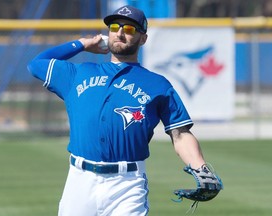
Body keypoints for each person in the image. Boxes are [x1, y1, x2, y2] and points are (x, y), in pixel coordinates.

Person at [28, 5, 207, 216]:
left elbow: (180, 134)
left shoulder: (157, 84)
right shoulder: (79, 73)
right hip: (79, 181)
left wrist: (201, 168)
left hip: (127, 185)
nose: (120, 32)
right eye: (114, 27)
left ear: (143, 38)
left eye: (130, 29)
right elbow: (36, 64)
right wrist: (83, 44)